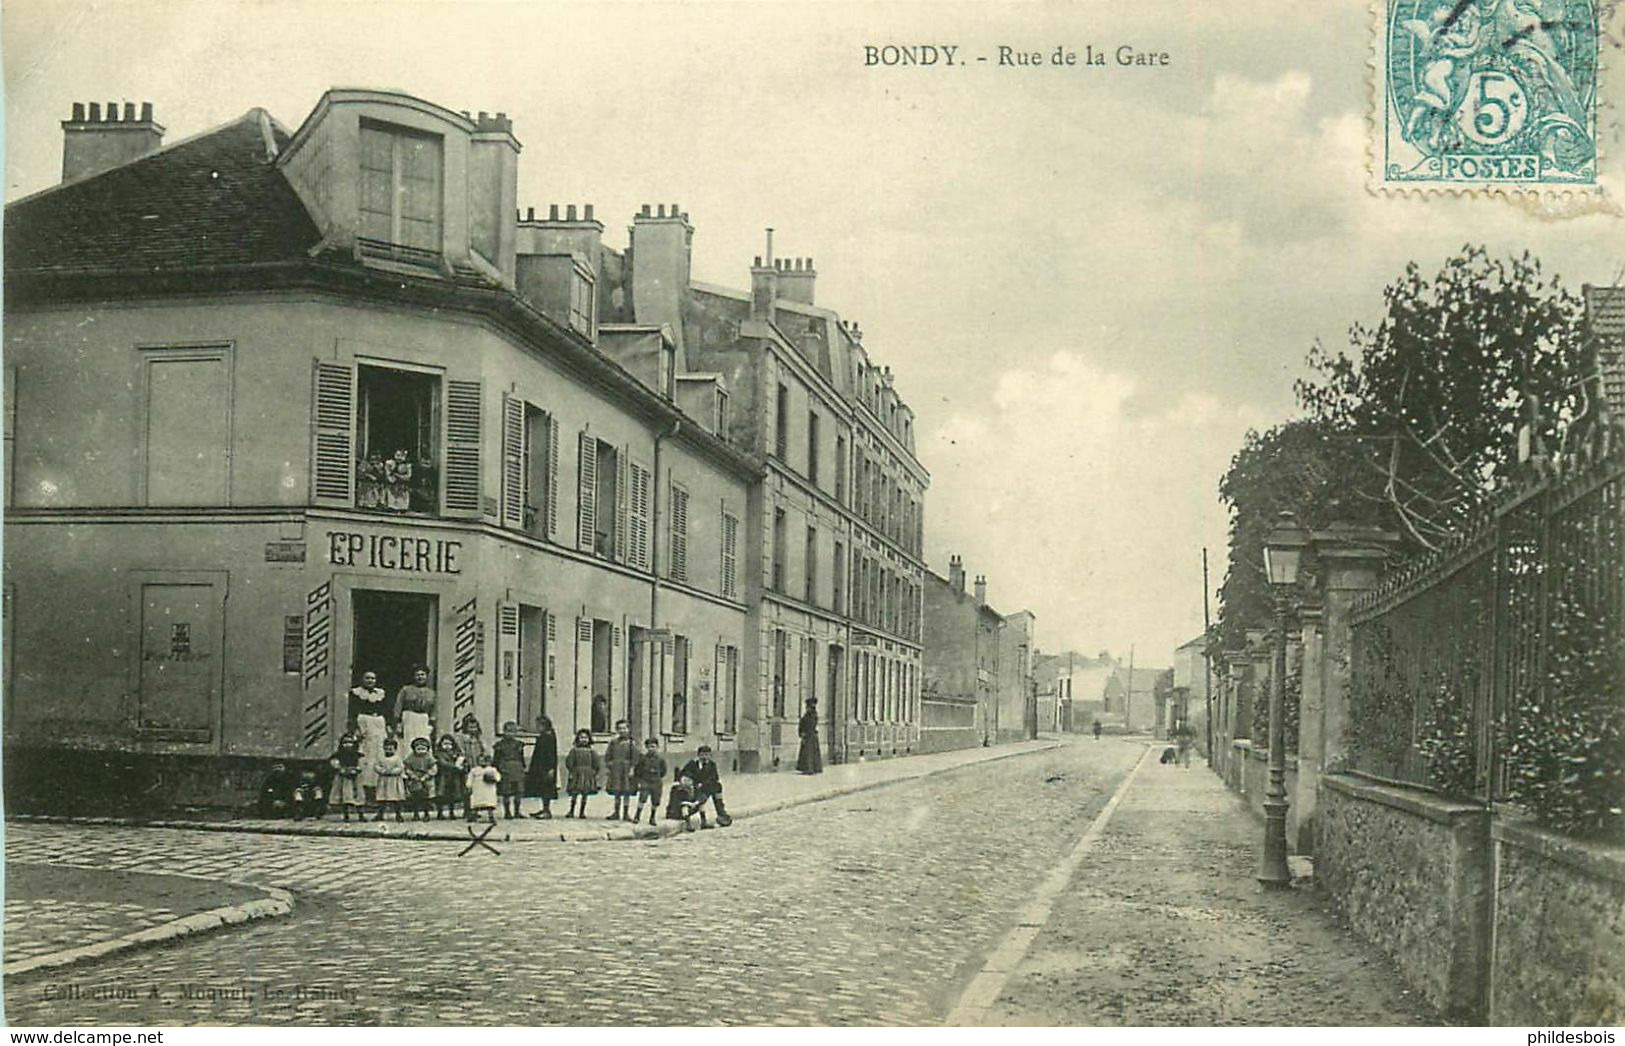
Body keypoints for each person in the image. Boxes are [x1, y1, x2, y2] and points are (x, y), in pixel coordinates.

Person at [347, 671, 389, 803]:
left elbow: (386, 711)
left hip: (379, 724)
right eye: (367, 678)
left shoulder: (380, 693)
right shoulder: (356, 693)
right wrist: (355, 729)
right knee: (365, 755)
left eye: (373, 678)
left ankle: (378, 792)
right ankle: (363, 792)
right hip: (364, 723)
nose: (370, 680)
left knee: (378, 754)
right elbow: (352, 712)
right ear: (362, 679)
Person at [676, 744, 731, 829]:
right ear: (698, 755)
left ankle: (720, 814)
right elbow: (684, 774)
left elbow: (714, 778)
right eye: (702, 755)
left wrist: (703, 784)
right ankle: (697, 820)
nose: (705, 757)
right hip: (693, 787)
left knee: (716, 787)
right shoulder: (692, 764)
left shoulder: (712, 765)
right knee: (697, 802)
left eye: (707, 755)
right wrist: (691, 782)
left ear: (710, 756)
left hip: (705, 787)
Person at [393, 666, 437, 753]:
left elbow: (433, 709)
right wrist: (398, 723)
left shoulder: (431, 693)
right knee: (407, 741)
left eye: (422, 675)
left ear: (427, 676)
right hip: (409, 717)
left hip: (423, 719)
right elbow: (398, 706)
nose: (420, 677)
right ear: (414, 676)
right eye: (417, 675)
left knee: (423, 741)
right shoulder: (406, 689)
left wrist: (431, 723)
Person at [329, 724, 366, 822]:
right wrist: (340, 769)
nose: (348, 745)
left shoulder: (358, 755)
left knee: (358, 795)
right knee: (345, 796)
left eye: (350, 743)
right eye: (345, 743)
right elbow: (334, 762)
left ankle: (361, 815)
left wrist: (357, 769)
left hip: (356, 777)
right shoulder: (339, 755)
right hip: (343, 778)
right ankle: (346, 815)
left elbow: (363, 764)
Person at [525, 714, 559, 819]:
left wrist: (551, 769)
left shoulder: (548, 737)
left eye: (538, 725)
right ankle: (543, 809)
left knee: (546, 789)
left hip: (546, 768)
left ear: (544, 726)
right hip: (540, 767)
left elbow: (551, 754)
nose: (536, 728)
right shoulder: (543, 736)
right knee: (541, 788)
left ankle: (547, 810)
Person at [492, 721, 528, 820]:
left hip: (517, 767)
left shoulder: (519, 744)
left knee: (518, 791)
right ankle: (507, 812)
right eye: (508, 731)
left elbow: (521, 757)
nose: (510, 734)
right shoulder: (499, 745)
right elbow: (496, 759)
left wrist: (523, 768)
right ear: (504, 732)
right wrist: (496, 769)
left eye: (513, 731)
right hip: (505, 768)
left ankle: (517, 811)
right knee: (506, 791)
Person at [604, 720, 638, 821]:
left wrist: (632, 769)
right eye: (620, 728)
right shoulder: (613, 743)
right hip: (616, 770)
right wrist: (610, 765)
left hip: (626, 770)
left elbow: (635, 757)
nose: (622, 731)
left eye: (624, 728)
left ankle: (626, 813)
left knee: (626, 791)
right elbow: (608, 756)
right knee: (617, 791)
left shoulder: (632, 743)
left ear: (628, 729)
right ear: (617, 730)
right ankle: (616, 812)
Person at [564, 728, 601, 819]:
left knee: (585, 793)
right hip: (577, 773)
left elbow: (596, 763)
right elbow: (569, 762)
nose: (584, 739)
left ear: (589, 739)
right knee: (574, 792)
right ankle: (571, 810)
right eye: (581, 737)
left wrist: (594, 773)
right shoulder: (574, 750)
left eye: (586, 738)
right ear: (578, 739)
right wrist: (571, 771)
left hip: (588, 774)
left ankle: (582, 811)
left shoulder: (592, 752)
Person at [632, 738, 666, 827]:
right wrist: (640, 780)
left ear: (657, 747)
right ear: (646, 747)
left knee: (655, 801)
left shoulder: (660, 759)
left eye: (653, 747)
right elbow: (638, 770)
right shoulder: (643, 758)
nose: (651, 749)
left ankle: (652, 817)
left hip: (656, 782)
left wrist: (657, 777)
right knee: (642, 798)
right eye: (649, 747)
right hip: (645, 781)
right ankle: (637, 815)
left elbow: (663, 771)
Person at [433, 734, 468, 821]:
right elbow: (443, 763)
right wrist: (455, 766)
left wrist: (462, 765)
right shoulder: (439, 754)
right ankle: (440, 812)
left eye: (449, 744)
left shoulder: (456, 753)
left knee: (452, 795)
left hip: (454, 777)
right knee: (441, 795)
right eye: (445, 744)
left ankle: (451, 812)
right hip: (443, 777)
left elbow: (462, 761)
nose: (447, 746)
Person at [402, 736, 437, 821]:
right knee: (415, 798)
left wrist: (426, 776)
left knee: (426, 798)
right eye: (419, 748)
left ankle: (426, 814)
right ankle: (416, 814)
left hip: (427, 779)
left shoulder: (429, 757)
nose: (421, 751)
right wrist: (412, 775)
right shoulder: (411, 757)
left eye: (423, 748)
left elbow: (434, 769)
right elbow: (407, 768)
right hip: (415, 779)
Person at [373, 737, 406, 822]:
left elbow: (401, 767)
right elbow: (376, 766)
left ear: (395, 749)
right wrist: (382, 770)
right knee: (382, 798)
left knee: (396, 799)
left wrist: (393, 771)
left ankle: (398, 815)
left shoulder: (397, 758)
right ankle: (380, 814)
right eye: (386, 749)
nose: (388, 751)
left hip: (394, 781)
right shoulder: (381, 758)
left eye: (391, 749)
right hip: (383, 781)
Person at [466, 753, 500, 825]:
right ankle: (473, 815)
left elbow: (498, 777)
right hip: (478, 788)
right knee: (476, 803)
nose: (483, 762)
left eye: (485, 761)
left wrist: (493, 778)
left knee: (489, 803)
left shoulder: (492, 770)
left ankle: (491, 816)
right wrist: (469, 785)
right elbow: (470, 778)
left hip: (489, 788)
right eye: (481, 761)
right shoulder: (474, 770)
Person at [796, 698, 823, 775]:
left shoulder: (811, 715)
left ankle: (809, 769)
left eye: (808, 707)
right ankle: (809, 768)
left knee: (809, 753)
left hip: (809, 736)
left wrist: (803, 732)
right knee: (809, 752)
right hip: (810, 736)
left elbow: (808, 725)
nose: (807, 708)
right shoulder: (810, 715)